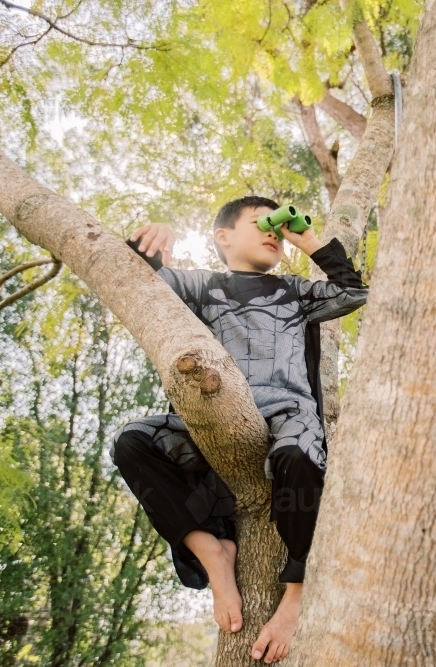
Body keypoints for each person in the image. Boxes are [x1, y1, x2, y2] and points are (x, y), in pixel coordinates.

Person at [111, 195, 368, 663]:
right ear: (222, 237)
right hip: (218, 423)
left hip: (287, 418)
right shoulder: (201, 286)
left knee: (299, 456)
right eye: (261, 222)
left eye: (278, 226)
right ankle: (211, 551)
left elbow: (353, 292)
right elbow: (140, 282)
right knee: (132, 441)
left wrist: (308, 240)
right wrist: (154, 238)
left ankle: (296, 592)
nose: (274, 231)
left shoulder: (293, 290)